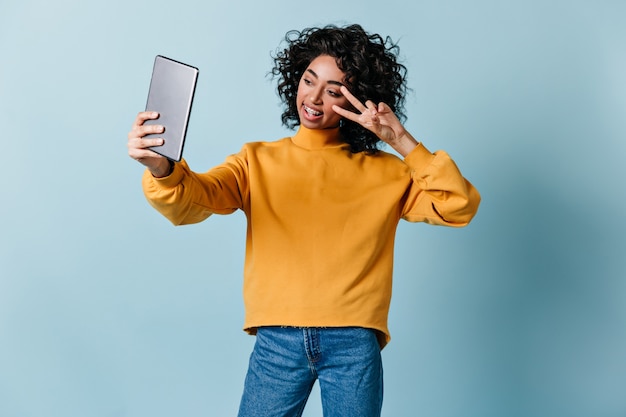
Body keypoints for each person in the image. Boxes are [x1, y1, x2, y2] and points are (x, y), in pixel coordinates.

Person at [127, 23, 480, 417]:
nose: (313, 97)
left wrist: (401, 141)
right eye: (308, 80)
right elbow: (192, 199)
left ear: (357, 99)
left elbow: (457, 205)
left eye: (333, 91)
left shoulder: (389, 173)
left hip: (354, 343)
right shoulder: (256, 160)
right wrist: (161, 167)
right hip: (277, 339)